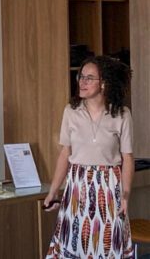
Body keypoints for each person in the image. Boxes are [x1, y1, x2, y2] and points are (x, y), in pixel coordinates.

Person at [44, 56, 134, 258]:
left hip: (109, 188)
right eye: (81, 77)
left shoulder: (122, 114)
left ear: (104, 83)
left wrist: (126, 195)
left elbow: (127, 158)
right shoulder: (71, 111)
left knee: (108, 244)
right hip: (77, 185)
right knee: (74, 241)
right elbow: (65, 153)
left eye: (89, 78)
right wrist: (53, 192)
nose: (82, 82)